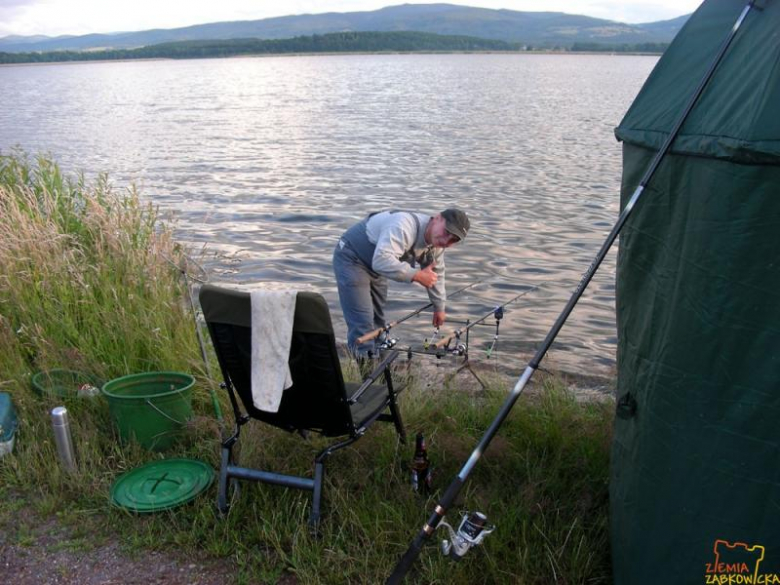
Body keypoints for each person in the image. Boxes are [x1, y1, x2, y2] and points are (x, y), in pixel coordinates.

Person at [333, 208, 470, 357]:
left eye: (453, 240)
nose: (446, 241)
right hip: (352, 257)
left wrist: (439, 307)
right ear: (436, 218)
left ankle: (380, 371)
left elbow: (436, 274)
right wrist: (416, 275)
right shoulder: (403, 225)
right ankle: (366, 376)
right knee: (363, 325)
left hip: (377, 269)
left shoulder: (436, 245)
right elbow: (381, 261)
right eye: (446, 232)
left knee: (378, 324)